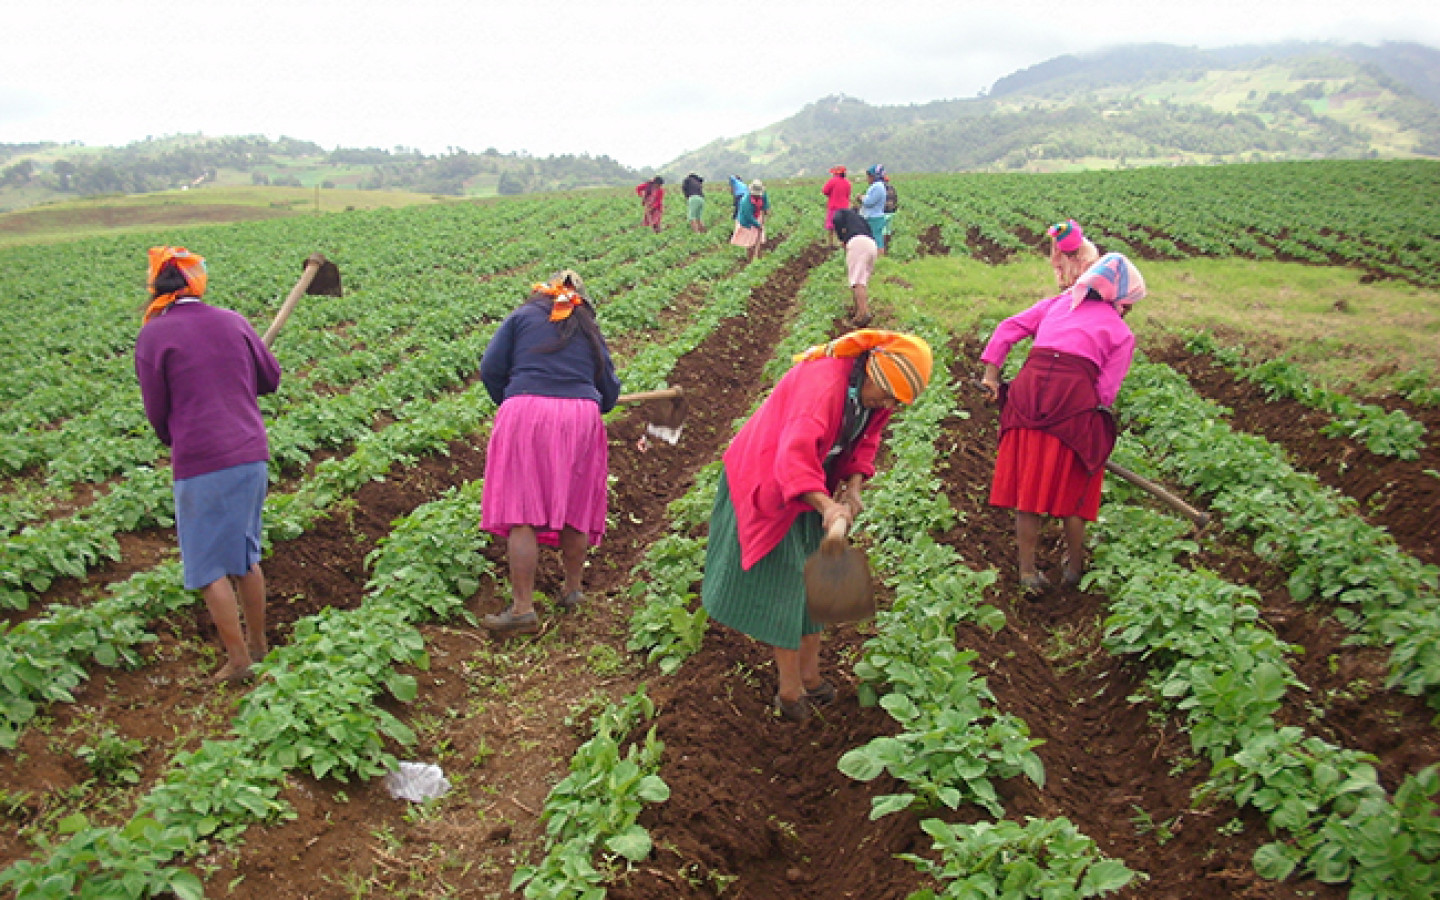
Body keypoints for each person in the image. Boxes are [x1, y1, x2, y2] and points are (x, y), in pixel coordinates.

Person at [702, 329, 933, 722]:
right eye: (889, 395)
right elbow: (791, 460)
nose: (889, 404)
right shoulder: (823, 388)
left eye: (898, 401)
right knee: (787, 584)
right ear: (874, 368)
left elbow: (866, 439)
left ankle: (810, 676)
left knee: (814, 579)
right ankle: (789, 691)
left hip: (814, 479)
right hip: (770, 478)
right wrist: (827, 505)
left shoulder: (877, 391)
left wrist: (855, 485)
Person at [134, 246, 281, 684]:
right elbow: (269, 379)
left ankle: (238, 662)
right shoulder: (233, 321)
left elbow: (158, 412)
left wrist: (176, 436)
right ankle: (258, 645)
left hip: (200, 458)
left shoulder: (154, 336)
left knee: (207, 566)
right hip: (250, 453)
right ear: (197, 282)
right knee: (244, 556)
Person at [977, 253, 1146, 596]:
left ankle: (1026, 571)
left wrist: (991, 377)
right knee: (1077, 485)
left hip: (1027, 395)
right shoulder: (1121, 333)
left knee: (1029, 488)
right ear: (1121, 302)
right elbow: (1106, 393)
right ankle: (1074, 568)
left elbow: (1007, 329)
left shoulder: (1058, 303)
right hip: (1071, 403)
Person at [479, 270, 622, 634]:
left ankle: (522, 608)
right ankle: (573, 590)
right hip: (579, 416)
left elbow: (490, 367)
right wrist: (590, 400)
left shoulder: (521, 317)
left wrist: (514, 397)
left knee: (521, 509)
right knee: (576, 502)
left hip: (525, 412)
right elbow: (609, 387)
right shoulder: (588, 328)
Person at [831, 208, 877, 327]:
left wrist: (842, 238)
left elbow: (837, 220)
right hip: (872, 245)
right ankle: (859, 312)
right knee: (862, 280)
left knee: (857, 282)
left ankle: (863, 313)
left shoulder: (840, 215)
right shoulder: (858, 218)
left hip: (858, 244)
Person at [1047, 219, 1100, 291]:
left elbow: (1085, 283)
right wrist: (1060, 280)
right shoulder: (1057, 241)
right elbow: (1056, 264)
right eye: (1064, 252)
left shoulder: (1090, 256)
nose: (1067, 256)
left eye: (1070, 253)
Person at [730, 179, 770, 262]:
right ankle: (750, 260)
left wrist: (766, 210)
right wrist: (758, 225)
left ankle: (758, 258)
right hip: (747, 222)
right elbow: (748, 217)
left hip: (757, 216)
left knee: (758, 240)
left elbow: (765, 203)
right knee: (749, 243)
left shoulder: (763, 194)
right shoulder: (745, 201)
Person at [859, 165, 889, 254]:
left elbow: (869, 202)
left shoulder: (877, 187)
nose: (868, 178)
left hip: (874, 217)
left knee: (876, 239)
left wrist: (861, 198)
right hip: (874, 216)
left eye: (869, 176)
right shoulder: (878, 186)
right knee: (876, 238)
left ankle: (879, 258)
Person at [821, 166, 852, 245]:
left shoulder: (832, 181)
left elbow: (825, 191)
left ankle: (831, 243)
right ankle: (842, 242)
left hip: (833, 207)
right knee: (842, 226)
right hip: (845, 208)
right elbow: (848, 194)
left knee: (831, 226)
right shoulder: (847, 183)